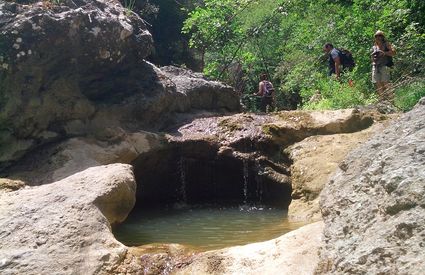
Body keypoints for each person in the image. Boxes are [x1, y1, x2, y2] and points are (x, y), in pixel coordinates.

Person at [371, 30, 396, 102]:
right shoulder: (374, 47)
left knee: (386, 83)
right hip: (376, 66)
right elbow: (372, 58)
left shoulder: (387, 44)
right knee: (378, 84)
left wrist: (384, 53)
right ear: (375, 37)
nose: (378, 37)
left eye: (380, 35)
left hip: (385, 65)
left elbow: (394, 52)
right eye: (377, 36)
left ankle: (391, 100)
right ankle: (382, 101)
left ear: (383, 37)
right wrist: (373, 58)